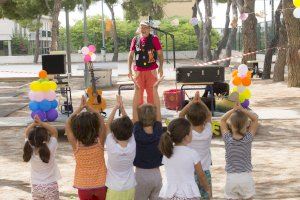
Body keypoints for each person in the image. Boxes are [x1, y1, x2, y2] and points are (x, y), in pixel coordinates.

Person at [65, 96, 107, 200]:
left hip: (83, 186)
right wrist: (89, 107)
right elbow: (101, 121)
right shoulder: (100, 142)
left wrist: (80, 108)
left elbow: (67, 123)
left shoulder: (76, 145)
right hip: (101, 183)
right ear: (95, 127)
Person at [158, 118, 211, 200]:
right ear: (187, 137)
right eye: (191, 131)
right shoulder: (192, 153)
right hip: (188, 193)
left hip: (169, 193)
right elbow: (201, 175)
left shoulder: (167, 152)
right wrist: (207, 189)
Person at [132, 76, 164, 200]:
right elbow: (158, 108)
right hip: (156, 174)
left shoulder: (138, 132)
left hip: (141, 174)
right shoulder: (157, 130)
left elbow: (135, 109)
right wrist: (155, 90)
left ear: (139, 118)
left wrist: (137, 90)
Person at [220, 102, 259, 200]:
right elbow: (255, 119)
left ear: (231, 125)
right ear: (246, 125)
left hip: (231, 178)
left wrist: (233, 110)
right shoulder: (248, 139)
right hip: (246, 176)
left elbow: (222, 120)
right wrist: (243, 109)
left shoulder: (227, 138)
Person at [179, 91, 213, 200]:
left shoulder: (187, 133)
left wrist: (191, 102)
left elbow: (181, 115)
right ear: (204, 119)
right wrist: (201, 102)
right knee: (206, 196)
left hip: (189, 172)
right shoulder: (208, 130)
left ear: (188, 118)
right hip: (205, 171)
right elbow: (209, 115)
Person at [105, 95, 136, 200]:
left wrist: (115, 107)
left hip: (114, 189)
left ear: (113, 134)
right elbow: (129, 125)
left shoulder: (112, 146)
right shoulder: (132, 145)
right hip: (130, 187)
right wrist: (122, 108)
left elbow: (107, 125)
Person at [23, 115, 61, 200]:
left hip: (36, 187)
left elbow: (26, 133)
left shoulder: (29, 149)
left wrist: (33, 124)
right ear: (45, 138)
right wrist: (41, 123)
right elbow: (54, 132)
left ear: (30, 140)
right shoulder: (50, 148)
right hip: (51, 186)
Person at [128, 20, 164, 105]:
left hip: (151, 71)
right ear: (139, 28)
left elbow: (160, 54)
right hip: (138, 71)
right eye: (142, 27)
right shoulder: (135, 39)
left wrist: (161, 67)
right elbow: (130, 55)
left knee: (152, 95)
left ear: (149, 29)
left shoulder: (154, 38)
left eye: (146, 28)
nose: (143, 29)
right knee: (138, 95)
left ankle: (152, 115)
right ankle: (138, 115)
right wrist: (129, 69)